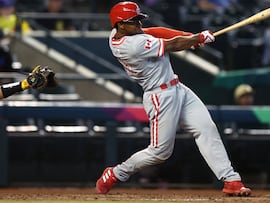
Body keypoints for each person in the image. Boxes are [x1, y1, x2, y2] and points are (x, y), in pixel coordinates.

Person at [95, 1, 251, 197]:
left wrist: (191, 37)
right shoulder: (133, 45)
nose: (138, 24)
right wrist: (198, 38)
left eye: (138, 19)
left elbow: (156, 30)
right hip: (159, 96)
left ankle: (231, 180)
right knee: (160, 152)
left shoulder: (118, 33)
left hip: (177, 88)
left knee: (206, 128)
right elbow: (172, 45)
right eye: (133, 21)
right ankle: (116, 173)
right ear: (121, 25)